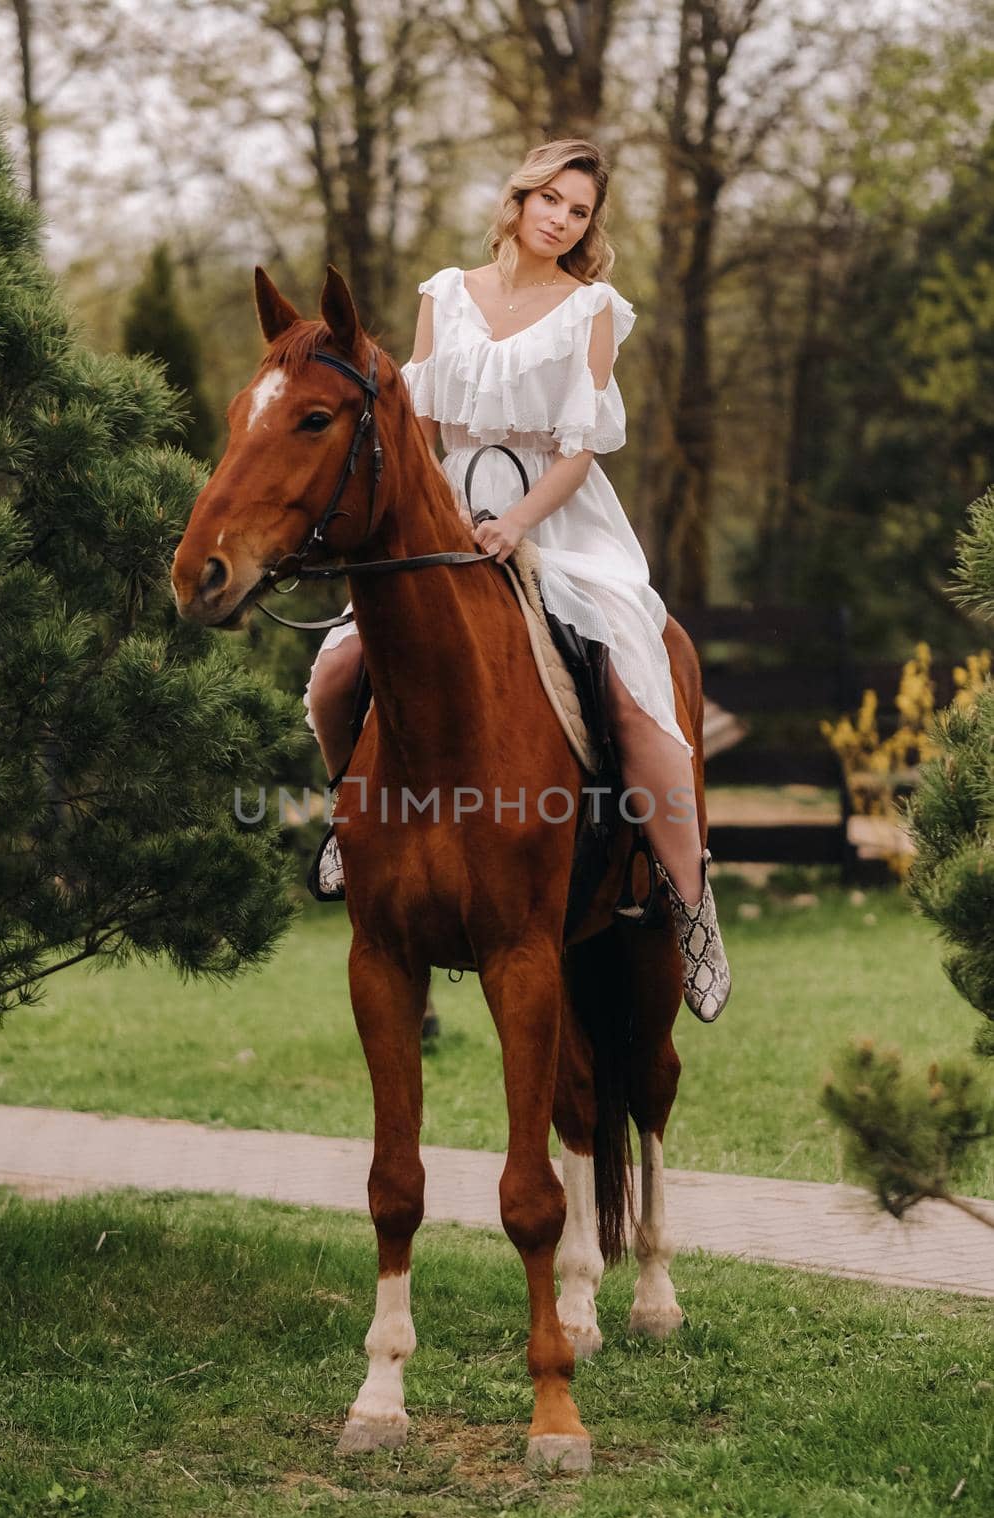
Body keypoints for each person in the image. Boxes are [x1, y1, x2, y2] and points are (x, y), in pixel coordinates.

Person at [303, 138, 730, 1023]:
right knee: (334, 674)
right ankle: (354, 832)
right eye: (551, 200)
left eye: (578, 212)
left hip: (555, 523)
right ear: (520, 198)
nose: (562, 220)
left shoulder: (592, 309)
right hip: (440, 515)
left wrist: (516, 525)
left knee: (632, 683)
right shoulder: (444, 293)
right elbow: (412, 424)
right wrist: (437, 513)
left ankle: (685, 898)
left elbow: (579, 452)